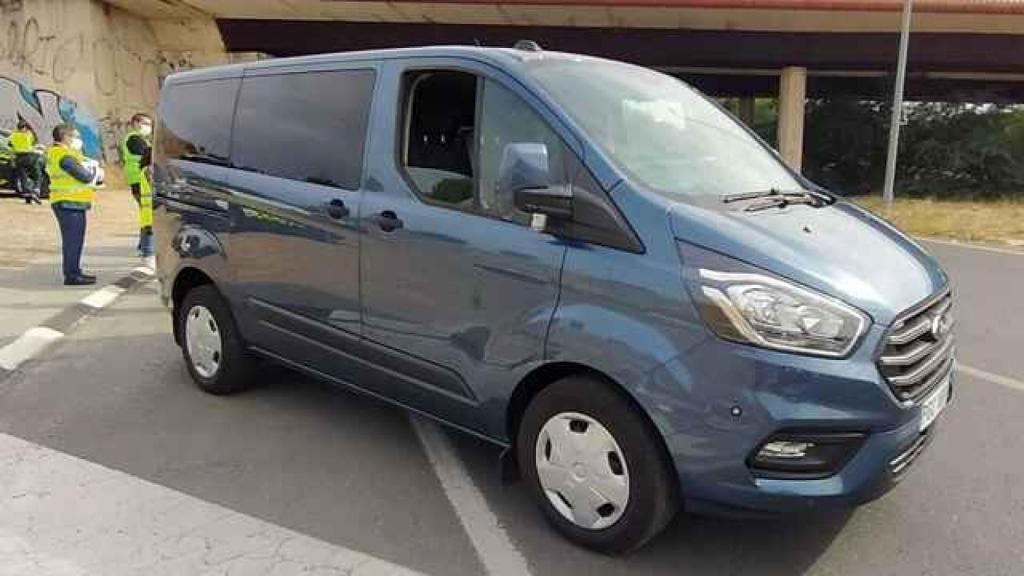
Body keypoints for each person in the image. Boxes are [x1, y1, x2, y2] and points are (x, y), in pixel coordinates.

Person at [46, 123, 104, 286]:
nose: (79, 140)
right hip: (69, 203)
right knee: (73, 241)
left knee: (73, 240)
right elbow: (84, 177)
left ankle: (75, 271)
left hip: (69, 202)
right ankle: (72, 275)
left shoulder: (58, 153)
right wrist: (96, 173)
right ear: (66, 137)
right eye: (76, 136)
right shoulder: (64, 156)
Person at [121, 113, 154, 266]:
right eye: (145, 123)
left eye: (149, 124)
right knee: (148, 215)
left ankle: (144, 246)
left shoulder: (140, 139)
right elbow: (148, 154)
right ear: (135, 123)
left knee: (146, 213)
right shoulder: (134, 139)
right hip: (139, 179)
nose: (148, 127)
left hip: (140, 179)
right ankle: (147, 250)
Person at [10, 119, 42, 204]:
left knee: (23, 176)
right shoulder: (29, 134)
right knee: (37, 174)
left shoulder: (13, 135)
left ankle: (28, 196)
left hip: (19, 157)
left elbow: (10, 144)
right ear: (25, 127)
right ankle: (36, 191)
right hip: (29, 156)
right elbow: (34, 143)